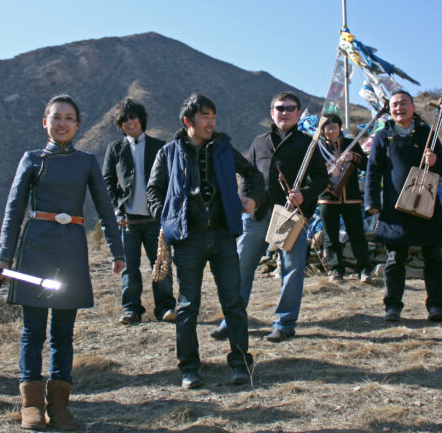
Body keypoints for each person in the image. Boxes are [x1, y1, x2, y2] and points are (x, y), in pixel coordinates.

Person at [0, 95, 124, 431]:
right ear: (45, 122)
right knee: (32, 331)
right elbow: (13, 210)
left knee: (63, 333)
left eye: (69, 118)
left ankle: (60, 405)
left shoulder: (86, 161)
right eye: (56, 117)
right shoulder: (32, 159)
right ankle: (32, 404)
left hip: (71, 249)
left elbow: (105, 210)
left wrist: (117, 251)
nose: (62, 123)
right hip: (34, 247)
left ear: (78, 125)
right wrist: (3, 255)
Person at [146, 93, 265, 389]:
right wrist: (167, 217)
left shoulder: (224, 148)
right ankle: (189, 368)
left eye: (213, 117)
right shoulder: (168, 152)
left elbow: (252, 173)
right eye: (205, 117)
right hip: (188, 240)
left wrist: (252, 198)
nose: (211, 123)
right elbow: (153, 191)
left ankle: (240, 363)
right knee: (187, 306)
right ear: (188, 121)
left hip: (224, 236)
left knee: (234, 303)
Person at [211, 92, 328, 342]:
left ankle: (284, 324)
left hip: (290, 216)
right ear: (271, 112)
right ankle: (231, 320)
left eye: (290, 108)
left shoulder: (308, 143)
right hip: (257, 215)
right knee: (241, 268)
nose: (284, 112)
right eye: (280, 108)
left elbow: (321, 179)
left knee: (292, 269)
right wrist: (246, 203)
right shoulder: (259, 141)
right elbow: (248, 175)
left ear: (298, 113)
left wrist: (304, 195)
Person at [364, 90, 442, 323]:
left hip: (426, 203)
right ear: (389, 110)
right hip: (395, 206)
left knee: (433, 257)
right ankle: (392, 306)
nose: (399, 108)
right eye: (394, 105)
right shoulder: (383, 136)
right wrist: (372, 202)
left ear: (413, 107)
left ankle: (436, 306)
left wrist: (435, 162)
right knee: (395, 258)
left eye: (403, 103)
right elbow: (373, 172)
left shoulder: (427, 133)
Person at [102, 99, 175, 325]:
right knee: (128, 268)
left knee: (161, 264)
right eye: (124, 120)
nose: (129, 122)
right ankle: (131, 310)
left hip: (155, 219)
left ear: (141, 119)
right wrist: (117, 209)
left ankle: (165, 308)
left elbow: (171, 180)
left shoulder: (160, 146)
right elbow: (107, 181)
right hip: (128, 221)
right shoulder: (115, 149)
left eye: (132, 117)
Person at [315, 113, 373, 282]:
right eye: (326, 125)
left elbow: (366, 165)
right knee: (330, 236)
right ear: (322, 129)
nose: (331, 128)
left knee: (357, 234)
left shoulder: (351, 144)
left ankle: (364, 269)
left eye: (334, 124)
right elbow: (311, 171)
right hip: (327, 197)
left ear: (340, 127)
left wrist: (353, 157)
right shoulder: (317, 147)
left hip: (351, 197)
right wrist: (321, 183)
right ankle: (335, 269)